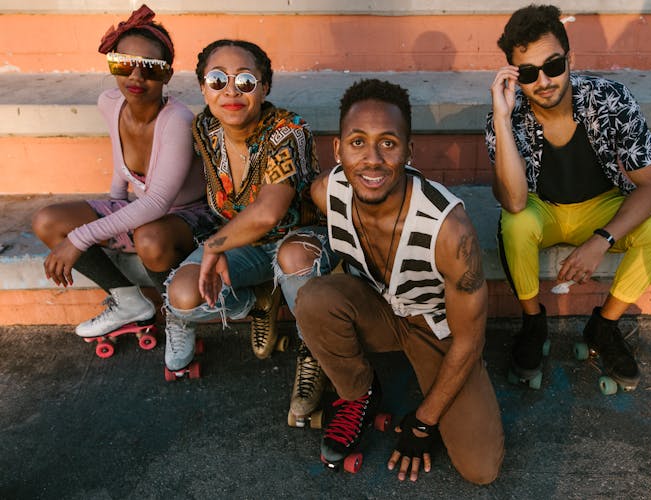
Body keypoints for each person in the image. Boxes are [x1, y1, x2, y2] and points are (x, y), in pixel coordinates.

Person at [295, 79, 504, 484]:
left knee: (481, 469)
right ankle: (357, 395)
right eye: (357, 142)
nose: (371, 159)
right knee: (315, 299)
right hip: (377, 307)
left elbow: (469, 339)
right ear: (337, 150)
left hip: (435, 326)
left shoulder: (449, 230)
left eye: (388, 143)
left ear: (410, 151)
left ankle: (446, 394)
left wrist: (424, 422)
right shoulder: (327, 191)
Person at [486, 4, 651, 390]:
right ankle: (533, 322)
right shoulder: (506, 115)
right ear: (514, 76)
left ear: (569, 59)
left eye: (553, 65)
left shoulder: (610, 100)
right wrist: (504, 121)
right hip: (543, 208)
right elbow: (513, 202)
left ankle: (604, 327)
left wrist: (602, 239)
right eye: (528, 72)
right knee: (515, 223)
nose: (543, 81)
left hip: (602, 207)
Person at [163, 39, 336, 421]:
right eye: (217, 79)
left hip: (301, 239)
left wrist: (214, 246)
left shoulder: (286, 131)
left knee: (292, 256)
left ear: (265, 87)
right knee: (182, 297)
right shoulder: (204, 128)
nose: (231, 91)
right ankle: (260, 297)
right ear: (203, 87)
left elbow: (268, 211)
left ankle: (312, 354)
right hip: (245, 246)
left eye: (245, 80)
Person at [32, 5, 215, 341]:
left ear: (167, 76)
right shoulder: (109, 102)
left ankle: (178, 317)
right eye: (123, 64)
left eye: (150, 68)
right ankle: (128, 301)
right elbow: (121, 165)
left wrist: (82, 237)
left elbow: (158, 202)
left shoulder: (177, 120)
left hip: (186, 217)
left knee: (148, 238)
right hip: (142, 210)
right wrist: (114, 208)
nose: (135, 77)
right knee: (47, 220)